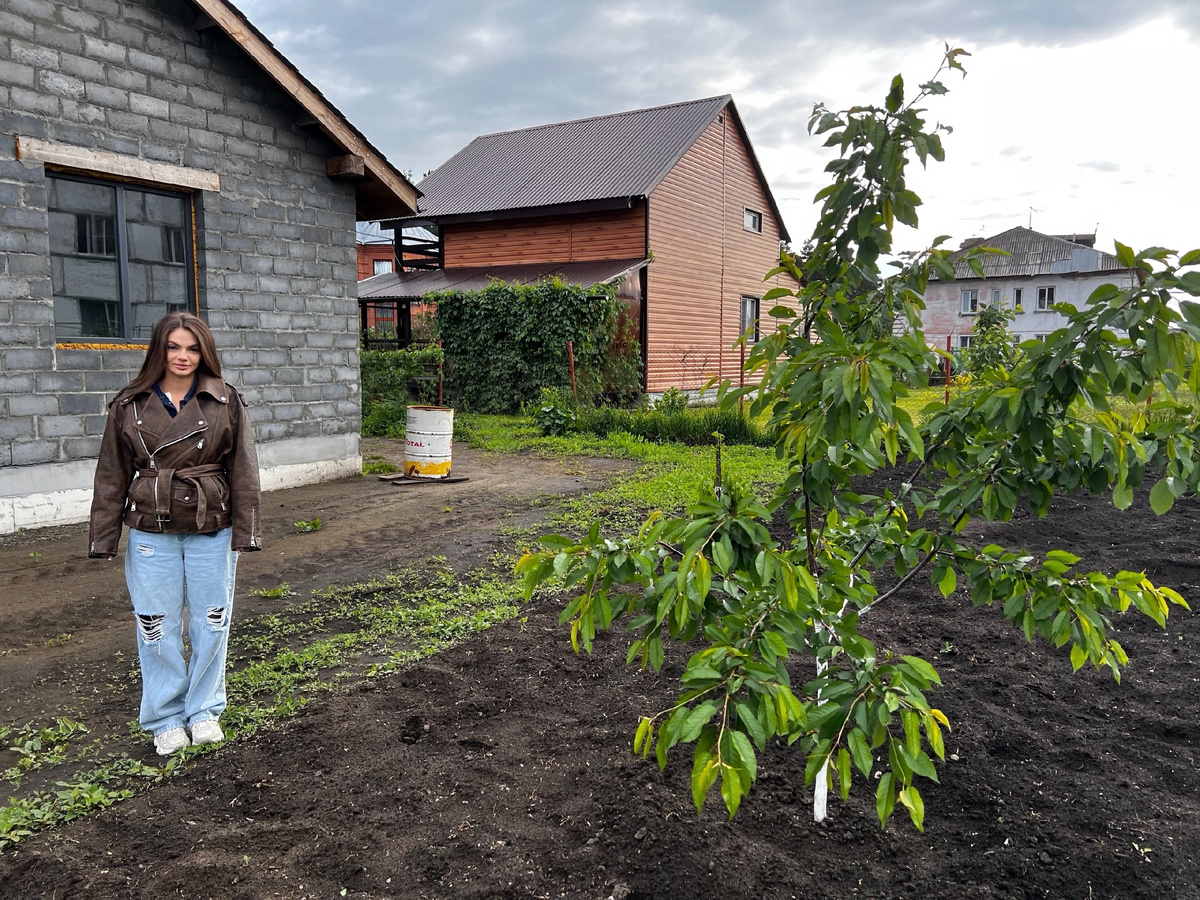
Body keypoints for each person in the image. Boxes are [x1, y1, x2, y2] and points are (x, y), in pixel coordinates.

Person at [89, 312, 261, 756]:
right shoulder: (128, 403)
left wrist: (246, 530)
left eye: (192, 348)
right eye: (173, 347)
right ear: (158, 350)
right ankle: (165, 716)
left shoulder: (225, 400)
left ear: (204, 352)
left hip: (211, 525)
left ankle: (204, 710)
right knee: (155, 625)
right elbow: (111, 474)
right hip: (151, 526)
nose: (183, 357)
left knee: (211, 622)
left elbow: (244, 470)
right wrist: (103, 536)